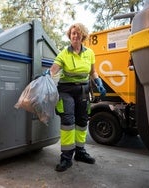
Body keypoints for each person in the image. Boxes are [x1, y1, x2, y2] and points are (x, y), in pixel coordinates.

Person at [49, 23, 106, 172]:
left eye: (78, 33)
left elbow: (93, 72)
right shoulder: (64, 53)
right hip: (66, 91)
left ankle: (80, 152)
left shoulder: (90, 53)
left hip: (83, 90)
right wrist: (47, 75)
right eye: (73, 33)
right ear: (70, 36)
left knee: (82, 121)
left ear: (83, 36)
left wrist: (98, 81)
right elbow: (54, 68)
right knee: (68, 121)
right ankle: (66, 158)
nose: (75, 36)